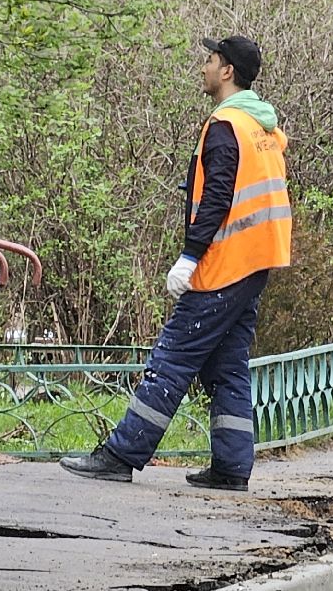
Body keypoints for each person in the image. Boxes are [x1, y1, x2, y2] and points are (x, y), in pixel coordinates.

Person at [60, 35, 292, 491]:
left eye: (209, 60)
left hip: (224, 263)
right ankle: (231, 467)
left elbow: (217, 198)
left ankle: (122, 452)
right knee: (227, 365)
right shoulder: (261, 125)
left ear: (227, 71)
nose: (203, 67)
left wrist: (190, 256)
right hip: (258, 260)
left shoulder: (226, 124)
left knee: (172, 357)